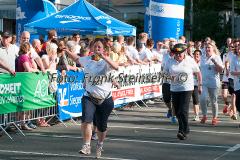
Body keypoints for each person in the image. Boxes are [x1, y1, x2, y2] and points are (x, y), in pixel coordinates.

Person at [65, 38, 118, 158]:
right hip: (89, 96)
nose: (97, 49)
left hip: (105, 99)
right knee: (86, 120)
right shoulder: (87, 60)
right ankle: (86, 145)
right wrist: (67, 51)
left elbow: (116, 67)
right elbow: (77, 59)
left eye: (99, 47)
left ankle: (100, 144)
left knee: (101, 126)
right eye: (95, 46)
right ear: (91, 48)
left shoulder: (106, 62)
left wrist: (104, 57)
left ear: (103, 49)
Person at [164, 43, 202, 140]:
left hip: (187, 88)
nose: (178, 55)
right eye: (176, 53)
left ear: (184, 52)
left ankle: (182, 131)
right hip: (174, 88)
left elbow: (198, 72)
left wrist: (200, 84)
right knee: (176, 111)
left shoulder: (189, 60)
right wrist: (171, 77)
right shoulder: (170, 61)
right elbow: (164, 74)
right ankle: (186, 127)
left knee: (183, 110)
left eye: (180, 53)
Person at [199, 40, 223, 125]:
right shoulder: (202, 57)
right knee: (202, 99)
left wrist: (215, 62)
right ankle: (204, 115)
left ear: (213, 48)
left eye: (209, 47)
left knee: (213, 101)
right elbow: (198, 69)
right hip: (204, 82)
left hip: (214, 82)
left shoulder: (216, 57)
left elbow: (220, 70)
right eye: (206, 47)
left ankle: (214, 118)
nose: (207, 49)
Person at [230, 42, 240, 127]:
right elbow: (232, 71)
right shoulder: (234, 58)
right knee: (238, 104)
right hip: (237, 84)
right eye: (238, 47)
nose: (239, 49)